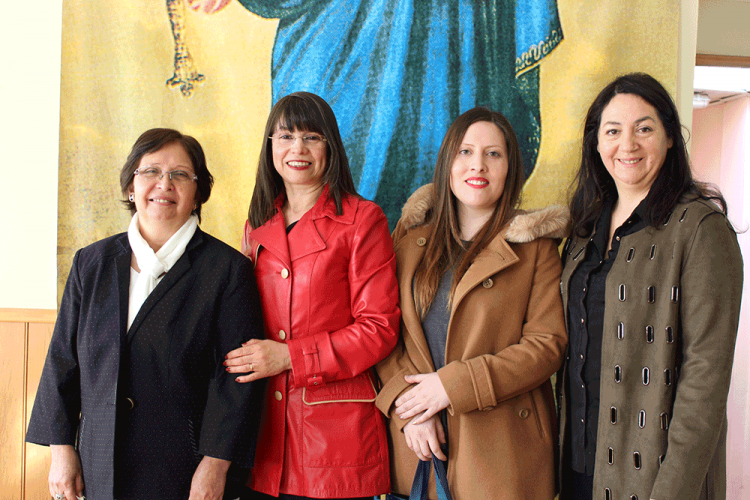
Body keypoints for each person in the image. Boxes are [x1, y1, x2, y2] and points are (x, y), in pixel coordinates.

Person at [26, 128, 265, 500]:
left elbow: (235, 379)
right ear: (130, 186)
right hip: (98, 462)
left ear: (198, 192)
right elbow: (62, 360)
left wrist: (215, 466)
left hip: (185, 469)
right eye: (151, 171)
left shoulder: (227, 270)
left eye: (180, 175)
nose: (164, 184)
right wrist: (61, 451)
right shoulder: (92, 263)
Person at [557, 73, 743, 500]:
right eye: (612, 131)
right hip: (578, 468)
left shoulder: (700, 229)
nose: (628, 145)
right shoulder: (584, 231)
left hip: (653, 478)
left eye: (644, 128)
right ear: (596, 143)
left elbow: (705, 382)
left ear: (670, 137)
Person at [375, 107, 568, 499]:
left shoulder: (536, 249)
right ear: (448, 163)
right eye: (465, 151)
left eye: (493, 154)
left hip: (504, 454)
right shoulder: (409, 243)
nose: (478, 164)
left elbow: (546, 345)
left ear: (510, 168)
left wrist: (452, 386)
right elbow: (384, 334)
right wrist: (409, 409)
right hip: (420, 446)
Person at [224, 91, 400, 499]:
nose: (297, 148)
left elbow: (378, 329)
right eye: (285, 136)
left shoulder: (363, 220)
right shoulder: (256, 225)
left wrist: (290, 357)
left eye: (311, 137)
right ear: (270, 145)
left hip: (335, 440)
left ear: (330, 146)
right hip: (263, 439)